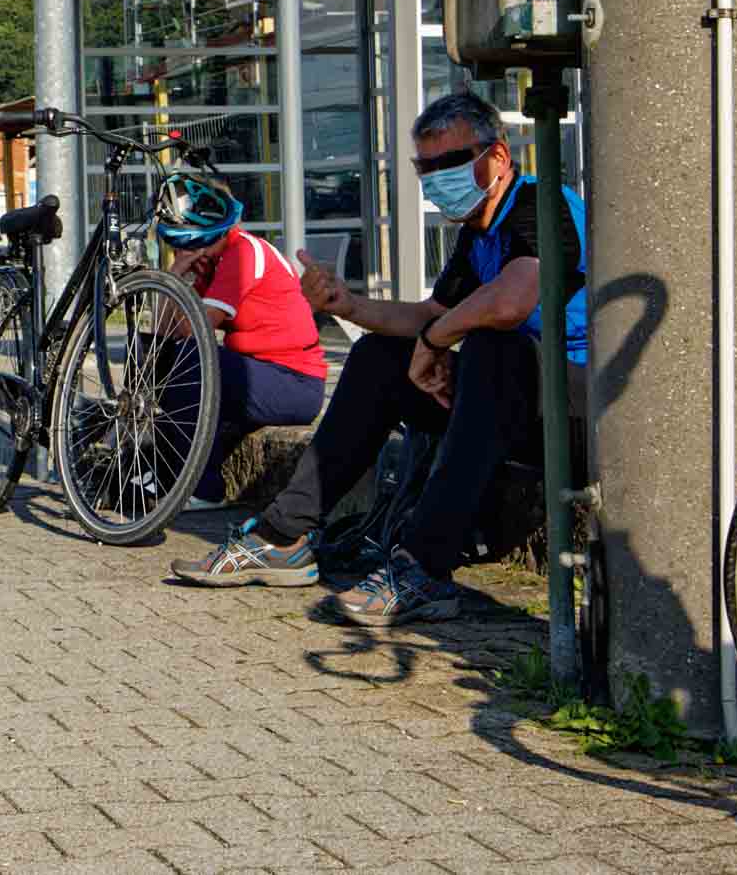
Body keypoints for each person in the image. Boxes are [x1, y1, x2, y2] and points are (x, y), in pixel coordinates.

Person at [173, 91, 587, 625]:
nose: (438, 178)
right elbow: (429, 314)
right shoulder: (475, 234)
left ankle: (422, 568)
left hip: (583, 409)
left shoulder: (541, 203)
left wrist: (437, 341)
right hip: (515, 405)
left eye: (451, 164)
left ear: (499, 157)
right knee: (377, 358)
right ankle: (282, 536)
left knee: (493, 347)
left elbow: (511, 300)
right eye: (426, 168)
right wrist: (346, 305)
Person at [152, 176, 326, 512]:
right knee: (164, 359)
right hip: (258, 376)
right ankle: (167, 478)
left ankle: (205, 489)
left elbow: (192, 331)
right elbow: (163, 334)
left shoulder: (243, 253)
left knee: (189, 358)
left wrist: (177, 277)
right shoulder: (213, 263)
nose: (183, 249)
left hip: (295, 382)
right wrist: (175, 275)